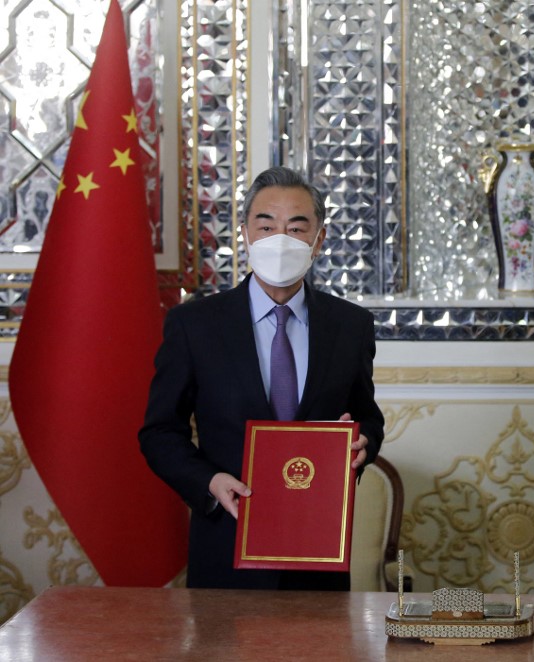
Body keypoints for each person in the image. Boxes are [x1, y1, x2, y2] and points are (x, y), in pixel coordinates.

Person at [139, 166, 385, 590]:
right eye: (266, 225)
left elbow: (367, 418)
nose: (280, 239)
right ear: (246, 234)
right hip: (226, 547)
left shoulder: (351, 325)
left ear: (319, 240)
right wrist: (209, 482)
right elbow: (160, 431)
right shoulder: (194, 325)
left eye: (296, 227)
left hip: (318, 553)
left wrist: (364, 444)